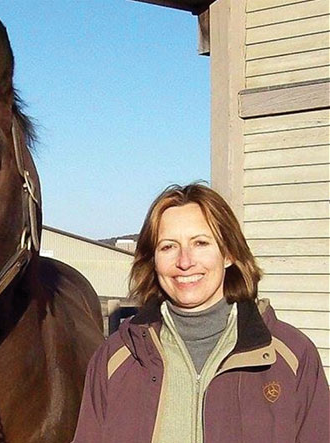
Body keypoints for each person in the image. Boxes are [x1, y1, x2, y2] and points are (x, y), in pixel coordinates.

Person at [72, 183, 329, 443]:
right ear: (153, 260)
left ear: (228, 253)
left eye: (200, 243)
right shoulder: (116, 358)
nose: (185, 262)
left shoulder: (291, 356)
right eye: (168, 247)